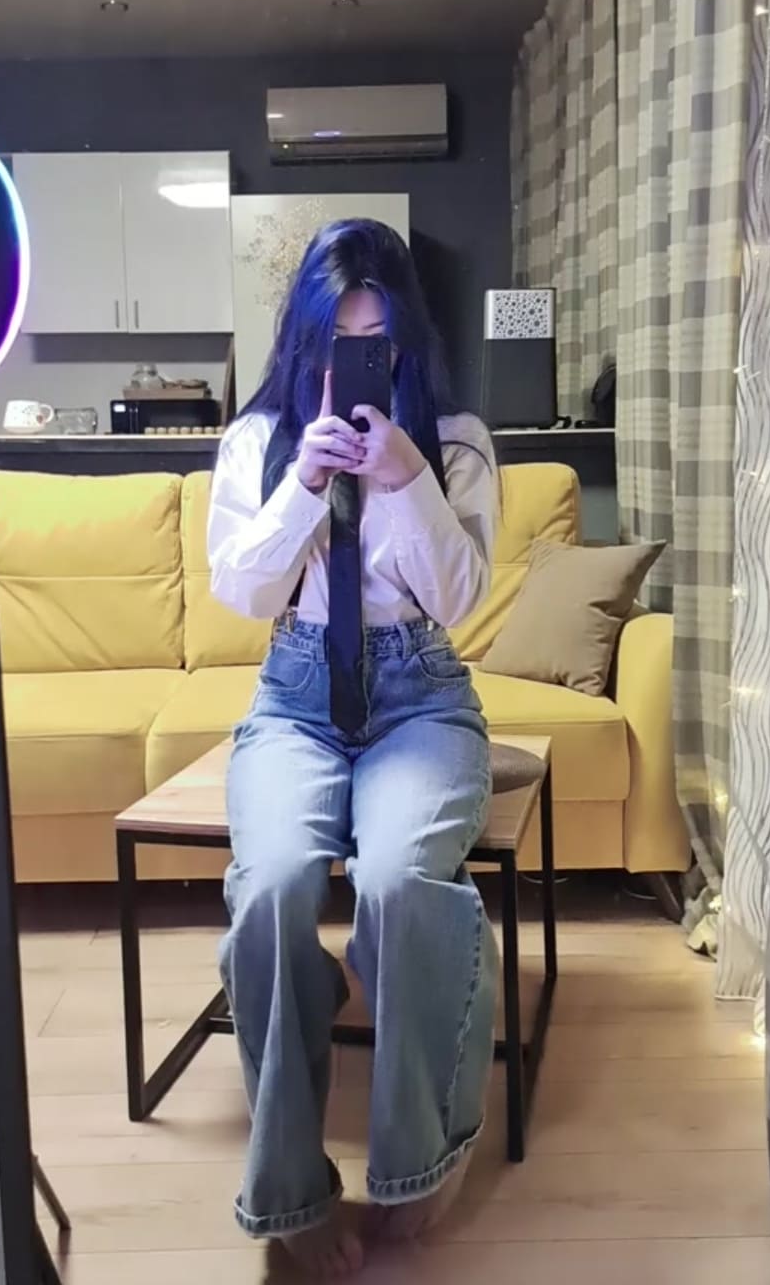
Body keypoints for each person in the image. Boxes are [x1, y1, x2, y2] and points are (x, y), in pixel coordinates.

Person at [208, 219, 499, 1276]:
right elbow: (241, 592)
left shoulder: (455, 441)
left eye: (376, 343)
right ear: (304, 339)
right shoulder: (256, 441)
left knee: (397, 879)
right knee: (272, 885)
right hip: (294, 698)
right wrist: (303, 484)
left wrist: (406, 478)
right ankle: (289, 1187)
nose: (355, 365)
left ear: (406, 338)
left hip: (418, 696)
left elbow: (459, 601)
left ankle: (422, 1152)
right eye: (338, 342)